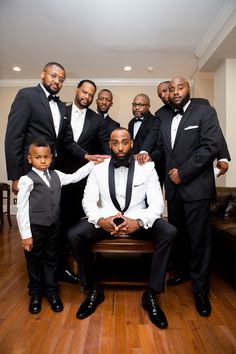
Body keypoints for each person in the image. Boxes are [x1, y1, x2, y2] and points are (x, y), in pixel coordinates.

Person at [5, 62, 106, 284]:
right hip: (30, 174)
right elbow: (14, 136)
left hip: (53, 174)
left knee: (54, 226)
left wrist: (86, 156)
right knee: (34, 227)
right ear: (43, 74)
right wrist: (15, 176)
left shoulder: (61, 107)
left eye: (61, 79)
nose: (56, 81)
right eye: (53, 76)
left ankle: (56, 271)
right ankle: (36, 280)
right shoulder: (26, 96)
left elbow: (67, 141)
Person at [67, 127, 177, 329]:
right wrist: (100, 220)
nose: (120, 147)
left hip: (137, 218)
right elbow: (88, 201)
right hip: (106, 219)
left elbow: (157, 205)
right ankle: (93, 289)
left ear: (132, 143)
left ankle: (151, 294)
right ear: (109, 145)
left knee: (169, 232)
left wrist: (139, 222)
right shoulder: (97, 168)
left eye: (124, 142)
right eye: (115, 142)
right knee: (75, 235)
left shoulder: (147, 168)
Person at [148, 76, 224, 317]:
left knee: (199, 240)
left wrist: (184, 172)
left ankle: (201, 290)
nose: (175, 92)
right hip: (173, 190)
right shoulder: (163, 116)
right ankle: (182, 271)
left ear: (188, 89)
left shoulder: (204, 111)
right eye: (171, 89)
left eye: (180, 87)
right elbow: (159, 145)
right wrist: (142, 153)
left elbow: (210, 146)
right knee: (178, 234)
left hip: (196, 188)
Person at [17, 138, 98, 314]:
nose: (43, 160)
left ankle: (52, 291)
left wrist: (91, 163)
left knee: (51, 259)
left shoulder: (57, 175)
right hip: (35, 229)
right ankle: (36, 294)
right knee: (34, 261)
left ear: (51, 158)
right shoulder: (26, 180)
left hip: (53, 226)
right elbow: (21, 209)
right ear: (30, 159)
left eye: (46, 157)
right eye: (38, 157)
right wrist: (26, 235)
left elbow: (75, 177)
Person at [59, 80, 110, 278]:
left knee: (76, 220)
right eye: (84, 92)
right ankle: (59, 264)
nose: (87, 97)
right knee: (58, 220)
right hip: (60, 175)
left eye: (90, 94)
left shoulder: (98, 120)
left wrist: (116, 160)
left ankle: (75, 261)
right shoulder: (61, 111)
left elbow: (105, 145)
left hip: (82, 179)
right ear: (77, 91)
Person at [128, 94, 164, 185]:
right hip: (135, 168)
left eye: (140, 105)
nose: (136, 107)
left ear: (148, 106)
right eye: (134, 104)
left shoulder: (156, 121)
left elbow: (159, 147)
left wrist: (148, 157)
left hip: (151, 168)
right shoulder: (131, 123)